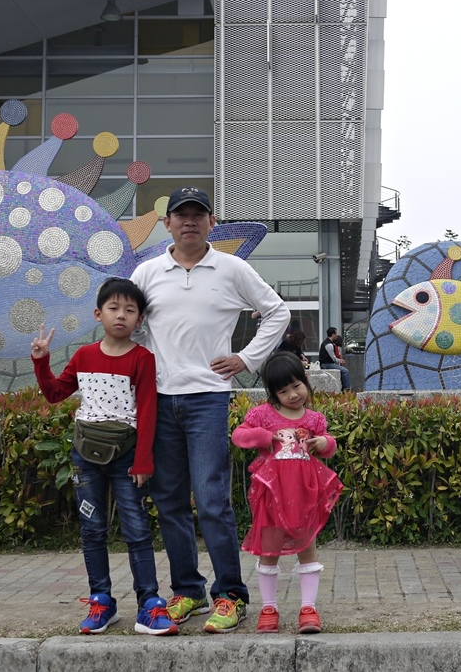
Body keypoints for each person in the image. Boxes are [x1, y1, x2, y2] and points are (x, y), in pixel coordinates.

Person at [130, 186, 290, 634]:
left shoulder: (232, 267)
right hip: (159, 399)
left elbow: (276, 312)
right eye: (181, 215)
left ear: (211, 223)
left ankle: (231, 595)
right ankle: (188, 592)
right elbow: (129, 324)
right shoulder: (147, 273)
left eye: (198, 215)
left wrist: (246, 359)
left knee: (213, 500)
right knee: (171, 501)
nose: (189, 222)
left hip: (208, 399)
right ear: (167, 224)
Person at [30, 278, 177, 636]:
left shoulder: (143, 359)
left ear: (140, 319)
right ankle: (101, 602)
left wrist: (143, 461)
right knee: (92, 530)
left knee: (138, 531)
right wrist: (41, 361)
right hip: (86, 458)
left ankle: (150, 605)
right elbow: (54, 394)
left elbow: (146, 413)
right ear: (99, 314)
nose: (121, 316)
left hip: (127, 459)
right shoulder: (84, 356)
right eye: (114, 308)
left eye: (130, 310)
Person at [231, 352, 343, 634]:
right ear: (273, 393)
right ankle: (269, 607)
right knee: (269, 552)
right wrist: (265, 437)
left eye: (297, 386)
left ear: (305, 382)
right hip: (271, 498)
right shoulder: (262, 416)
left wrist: (324, 441)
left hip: (305, 496)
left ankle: (308, 608)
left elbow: (330, 447)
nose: (293, 394)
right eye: (283, 390)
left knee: (308, 550)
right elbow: (239, 436)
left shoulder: (315, 419)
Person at [318, 327, 351, 391]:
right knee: (345, 371)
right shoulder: (329, 345)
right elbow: (333, 358)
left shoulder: (327, 343)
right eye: (336, 333)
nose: (337, 335)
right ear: (333, 334)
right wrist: (339, 360)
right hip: (326, 364)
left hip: (326, 363)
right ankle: (346, 389)